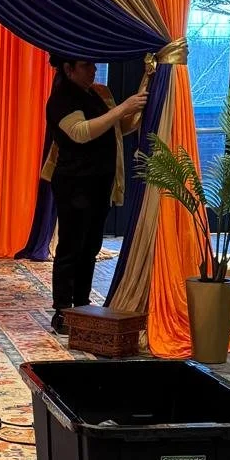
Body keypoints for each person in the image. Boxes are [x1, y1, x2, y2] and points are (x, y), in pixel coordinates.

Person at [42, 56, 149, 333]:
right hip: (74, 184)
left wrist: (135, 113)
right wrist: (123, 108)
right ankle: (63, 311)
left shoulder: (97, 93)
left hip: (100, 182)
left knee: (90, 249)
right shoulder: (61, 99)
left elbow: (114, 127)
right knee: (70, 249)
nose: (94, 69)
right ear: (68, 69)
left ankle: (83, 306)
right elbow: (80, 132)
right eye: (86, 65)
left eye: (93, 64)